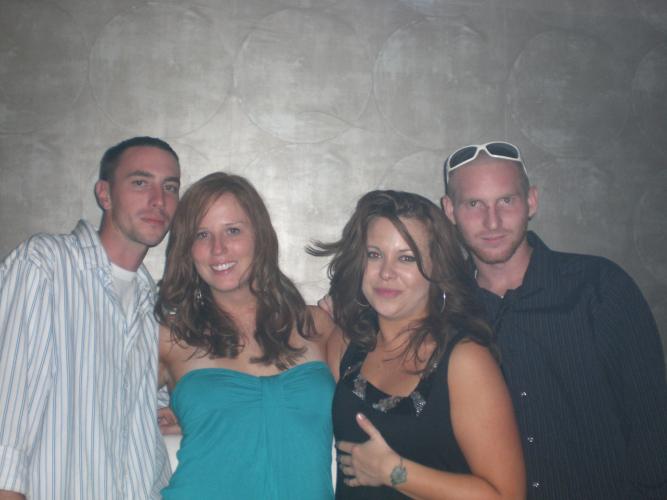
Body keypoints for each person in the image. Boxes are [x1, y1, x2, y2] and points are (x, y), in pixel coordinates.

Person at [441, 141, 667, 499]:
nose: (492, 221)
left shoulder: (600, 287)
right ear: (450, 210)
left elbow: (651, 422)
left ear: (531, 201)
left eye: (506, 200)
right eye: (474, 204)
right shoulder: (446, 314)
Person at [309, 190, 525, 499]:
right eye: (374, 255)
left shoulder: (464, 360)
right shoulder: (347, 344)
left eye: (406, 258)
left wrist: (394, 472)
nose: (386, 272)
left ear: (437, 269)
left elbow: (507, 496)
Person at [0, 136, 181, 499]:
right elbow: (9, 413)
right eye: (140, 182)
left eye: (170, 187)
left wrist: (173, 412)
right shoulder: (47, 264)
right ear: (105, 194)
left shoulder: (156, 305)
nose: (158, 200)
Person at [155, 172, 337, 499]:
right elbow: (98, 415)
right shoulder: (171, 337)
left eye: (233, 231)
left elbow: (374, 409)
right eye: (202, 235)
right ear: (187, 249)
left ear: (260, 237)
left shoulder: (315, 326)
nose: (218, 249)